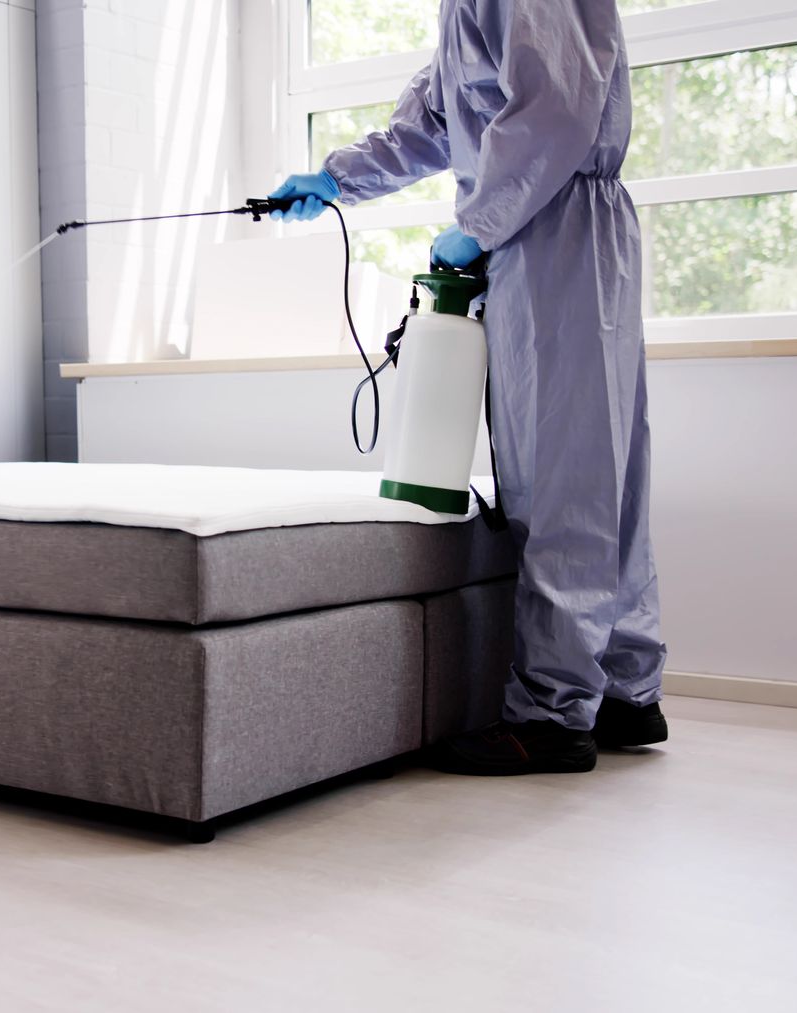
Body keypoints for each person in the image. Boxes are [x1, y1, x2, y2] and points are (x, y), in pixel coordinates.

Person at [271, 0, 666, 775]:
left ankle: (554, 715)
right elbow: (438, 123)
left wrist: (480, 222)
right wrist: (334, 180)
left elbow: (556, 110)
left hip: (552, 225)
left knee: (562, 475)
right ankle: (623, 687)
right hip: (547, 227)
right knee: (597, 462)